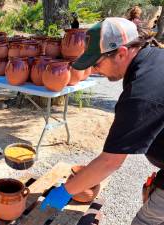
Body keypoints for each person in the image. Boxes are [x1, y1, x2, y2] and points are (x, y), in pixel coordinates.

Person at [41, 17, 164, 225]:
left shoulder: (141, 93)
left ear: (122, 53)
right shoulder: (155, 58)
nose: (95, 71)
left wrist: (64, 192)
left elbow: (110, 161)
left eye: (97, 64)